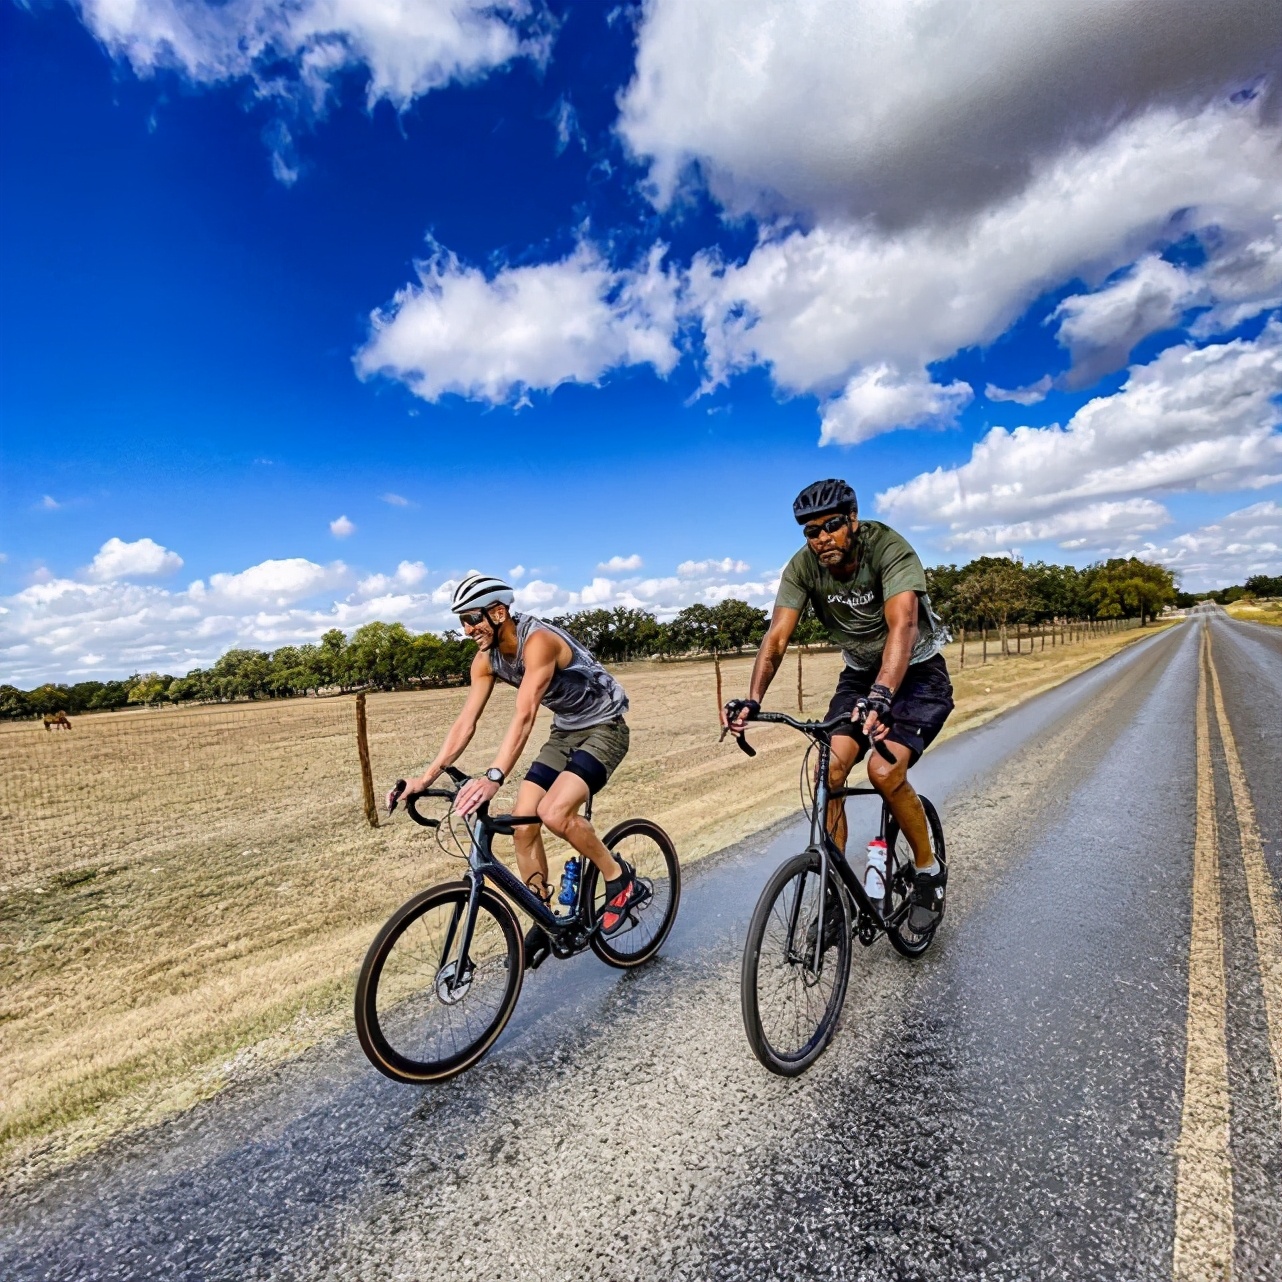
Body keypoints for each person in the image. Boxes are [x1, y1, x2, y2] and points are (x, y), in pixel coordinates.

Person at [723, 479, 954, 925]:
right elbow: (777, 636)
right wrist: (753, 698)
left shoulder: (888, 548)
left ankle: (928, 871)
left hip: (918, 673)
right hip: (859, 675)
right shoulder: (804, 567)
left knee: (884, 772)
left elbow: (903, 626)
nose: (821, 538)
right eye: (811, 531)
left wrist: (883, 696)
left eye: (831, 525)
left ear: (853, 519)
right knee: (826, 769)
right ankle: (835, 887)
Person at [389, 574, 646, 963]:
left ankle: (619, 879)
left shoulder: (538, 642)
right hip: (565, 732)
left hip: (605, 727)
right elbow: (466, 722)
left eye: (473, 618)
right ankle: (545, 919)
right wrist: (425, 778)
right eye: (461, 621)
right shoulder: (485, 660)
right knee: (523, 824)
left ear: (498, 612)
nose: (468, 629)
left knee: (554, 813)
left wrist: (494, 777)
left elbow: (525, 715)